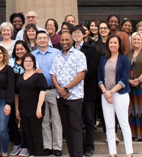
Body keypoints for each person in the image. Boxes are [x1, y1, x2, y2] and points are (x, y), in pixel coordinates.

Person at [50, 31, 87, 157]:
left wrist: (66, 88)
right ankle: (72, 154)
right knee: (66, 127)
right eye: (62, 40)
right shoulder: (57, 57)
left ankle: (78, 154)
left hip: (74, 96)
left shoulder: (79, 55)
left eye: (67, 40)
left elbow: (81, 75)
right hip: (61, 97)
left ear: (72, 41)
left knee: (76, 126)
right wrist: (60, 89)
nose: (64, 42)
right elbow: (53, 75)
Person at [98, 35, 133, 157]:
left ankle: (129, 152)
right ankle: (112, 152)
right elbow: (99, 78)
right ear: (108, 45)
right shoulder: (103, 59)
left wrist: (111, 92)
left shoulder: (123, 59)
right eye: (110, 43)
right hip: (105, 95)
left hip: (120, 94)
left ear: (119, 45)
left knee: (123, 123)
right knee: (109, 124)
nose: (112, 45)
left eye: (115, 43)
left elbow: (124, 79)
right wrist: (105, 92)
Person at [32, 31, 64, 156]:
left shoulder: (57, 53)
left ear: (48, 39)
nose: (42, 40)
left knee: (56, 119)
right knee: (44, 120)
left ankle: (57, 147)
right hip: (40, 91)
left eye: (44, 38)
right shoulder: (32, 55)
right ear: (36, 41)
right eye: (39, 38)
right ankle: (47, 146)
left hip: (54, 89)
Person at [73, 25, 102, 156]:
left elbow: (93, 68)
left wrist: (79, 77)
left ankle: (89, 146)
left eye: (79, 33)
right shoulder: (69, 49)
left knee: (90, 120)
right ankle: (78, 145)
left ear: (84, 34)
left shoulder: (90, 49)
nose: (77, 35)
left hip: (88, 89)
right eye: (74, 33)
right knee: (76, 120)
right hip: (73, 91)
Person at [14, 54, 49, 157]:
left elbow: (42, 92)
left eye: (30, 61)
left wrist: (39, 108)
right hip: (23, 108)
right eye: (26, 61)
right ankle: (32, 153)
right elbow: (16, 94)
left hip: (35, 108)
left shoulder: (39, 76)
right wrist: (17, 109)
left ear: (34, 63)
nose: (28, 63)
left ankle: (38, 154)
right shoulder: (20, 77)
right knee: (27, 133)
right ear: (22, 63)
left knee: (36, 133)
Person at [8, 40, 33, 156]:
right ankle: (17, 142)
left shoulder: (30, 61)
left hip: (27, 96)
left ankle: (26, 146)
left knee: (27, 121)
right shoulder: (10, 62)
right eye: (17, 49)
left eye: (21, 49)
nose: (19, 51)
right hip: (12, 95)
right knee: (10, 119)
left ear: (26, 50)